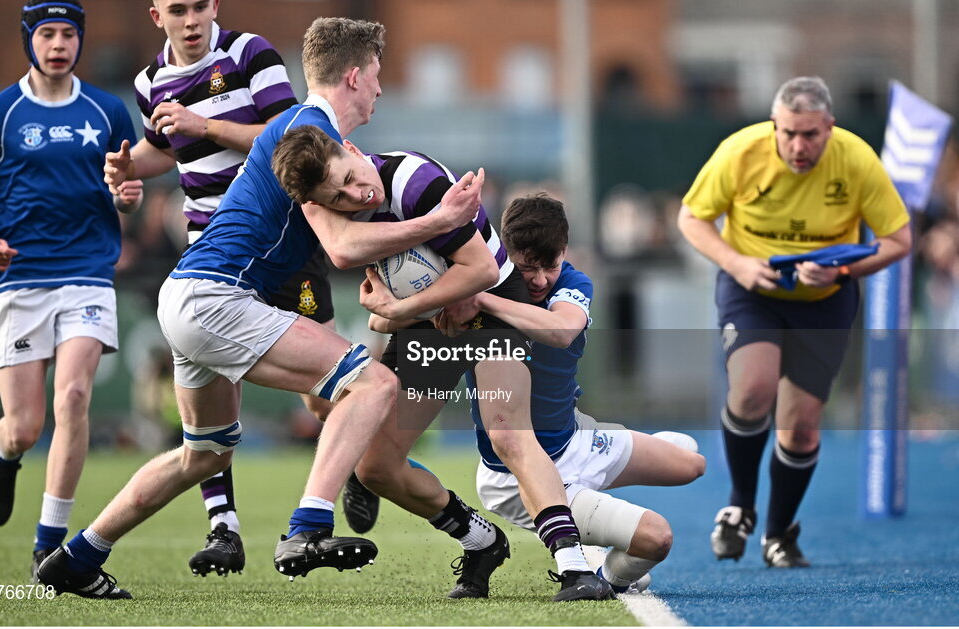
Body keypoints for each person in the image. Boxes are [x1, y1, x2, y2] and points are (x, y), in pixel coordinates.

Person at [37, 17, 483, 599]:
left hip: (189, 296)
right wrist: (440, 223)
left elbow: (341, 237)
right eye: (375, 75)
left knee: (204, 454)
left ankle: (78, 556)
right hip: (218, 297)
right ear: (353, 75)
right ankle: (308, 527)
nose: (379, 87)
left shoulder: (307, 131)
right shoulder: (311, 133)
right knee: (372, 387)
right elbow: (343, 247)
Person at [117, 0, 381, 578]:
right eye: (177, 10)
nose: (190, 21)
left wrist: (204, 122)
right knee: (216, 401)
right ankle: (225, 528)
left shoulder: (248, 55)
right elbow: (164, 150)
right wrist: (127, 172)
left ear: (216, 5)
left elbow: (290, 142)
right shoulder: (149, 80)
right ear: (157, 16)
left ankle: (357, 470)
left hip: (287, 238)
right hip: (213, 249)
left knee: (331, 392)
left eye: (201, 6)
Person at [272, 129, 615, 601]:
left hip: (492, 299)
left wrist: (402, 310)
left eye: (351, 178)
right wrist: (403, 310)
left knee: (508, 433)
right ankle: (480, 541)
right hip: (431, 318)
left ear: (352, 149)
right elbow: (354, 267)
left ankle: (575, 568)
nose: (357, 194)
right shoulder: (325, 205)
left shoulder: (416, 182)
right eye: (339, 195)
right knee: (376, 466)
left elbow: (481, 273)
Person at [0, 0, 144, 578]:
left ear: (80, 40)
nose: (58, 45)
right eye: (46, 35)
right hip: (23, 282)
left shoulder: (108, 112)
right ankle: (5, 454)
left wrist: (126, 199)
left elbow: (124, 191)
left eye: (68, 35)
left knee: (75, 397)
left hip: (87, 273)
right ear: (28, 40)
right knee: (25, 425)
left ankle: (49, 542)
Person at [677, 77, 911, 567]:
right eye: (788, 133)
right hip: (753, 290)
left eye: (810, 134)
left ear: (830, 127)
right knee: (752, 390)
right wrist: (737, 264)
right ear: (773, 125)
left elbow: (898, 240)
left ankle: (779, 532)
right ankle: (740, 505)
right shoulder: (740, 152)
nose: (798, 146)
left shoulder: (857, 160)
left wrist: (842, 268)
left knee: (801, 427)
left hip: (824, 300)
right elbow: (692, 218)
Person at [428, 193, 705, 593]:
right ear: (506, 254)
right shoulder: (480, 280)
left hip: (577, 438)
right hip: (518, 473)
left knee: (692, 463)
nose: (540, 279)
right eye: (527, 268)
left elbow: (561, 331)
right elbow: (395, 318)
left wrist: (480, 300)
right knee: (657, 538)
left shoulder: (570, 283)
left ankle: (600, 484)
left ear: (564, 252)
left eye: (550, 265)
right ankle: (611, 577)